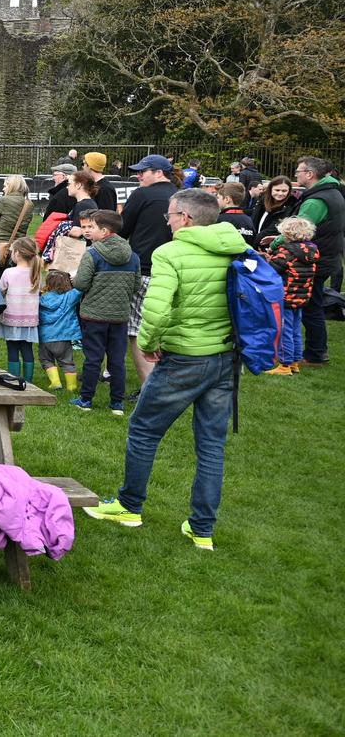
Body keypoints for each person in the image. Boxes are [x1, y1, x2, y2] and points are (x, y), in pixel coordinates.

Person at [86, 189, 249, 551]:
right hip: (226, 357)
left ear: (186, 218)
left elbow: (155, 311)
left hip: (184, 357)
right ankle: (202, 528)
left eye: (170, 216)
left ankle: (130, 506)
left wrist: (147, 342)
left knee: (144, 430)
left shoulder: (171, 252)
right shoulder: (237, 247)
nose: (169, 222)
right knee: (211, 447)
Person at [71, 209, 138, 413]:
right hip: (119, 315)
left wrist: (74, 279)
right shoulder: (133, 255)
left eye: (94, 227)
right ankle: (117, 402)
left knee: (93, 358)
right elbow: (136, 286)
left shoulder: (93, 253)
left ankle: (86, 399)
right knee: (117, 359)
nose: (91, 230)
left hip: (94, 315)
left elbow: (81, 284)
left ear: (105, 231)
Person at [120, 154, 179, 386]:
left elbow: (122, 229)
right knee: (166, 328)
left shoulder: (142, 194)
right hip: (176, 270)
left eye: (142, 171)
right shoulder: (180, 195)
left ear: (158, 173)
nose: (138, 176)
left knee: (137, 329)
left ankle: (149, 388)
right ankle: (166, 381)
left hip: (145, 269)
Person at [294, 156, 343, 366]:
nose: (296, 174)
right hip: (328, 256)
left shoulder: (316, 200)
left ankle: (315, 354)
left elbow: (298, 230)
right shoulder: (333, 193)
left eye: (298, 171)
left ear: (310, 174)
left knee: (311, 307)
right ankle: (317, 352)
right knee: (314, 304)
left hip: (316, 260)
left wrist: (275, 243)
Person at [263, 216, 319, 376]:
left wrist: (268, 257)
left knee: (284, 330)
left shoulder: (286, 252)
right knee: (295, 329)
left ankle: (285, 364)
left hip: (286, 297)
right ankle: (295, 361)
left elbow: (271, 270)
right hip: (301, 297)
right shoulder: (311, 252)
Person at [0, 237, 44, 387]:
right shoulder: (37, 273)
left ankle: (14, 378)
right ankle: (29, 381)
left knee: (12, 349)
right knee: (27, 349)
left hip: (12, 317)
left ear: (17, 253)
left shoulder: (9, 273)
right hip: (30, 319)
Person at [38, 270, 82, 391]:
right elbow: (81, 289)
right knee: (67, 362)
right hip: (63, 337)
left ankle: (55, 382)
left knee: (46, 360)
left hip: (45, 338)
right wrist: (75, 279)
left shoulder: (42, 299)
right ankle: (71, 386)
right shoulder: (69, 297)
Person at [0, 175, 35, 247]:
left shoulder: (4, 200)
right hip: (19, 244)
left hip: (0, 242)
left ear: (11, 186)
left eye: (5, 186)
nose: (3, 189)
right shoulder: (29, 204)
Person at [251, 175, 298, 246]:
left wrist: (253, 243)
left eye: (284, 191)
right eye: (277, 190)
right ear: (271, 189)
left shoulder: (290, 206)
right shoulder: (262, 201)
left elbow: (272, 230)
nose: (280, 193)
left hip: (271, 246)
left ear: (289, 191)